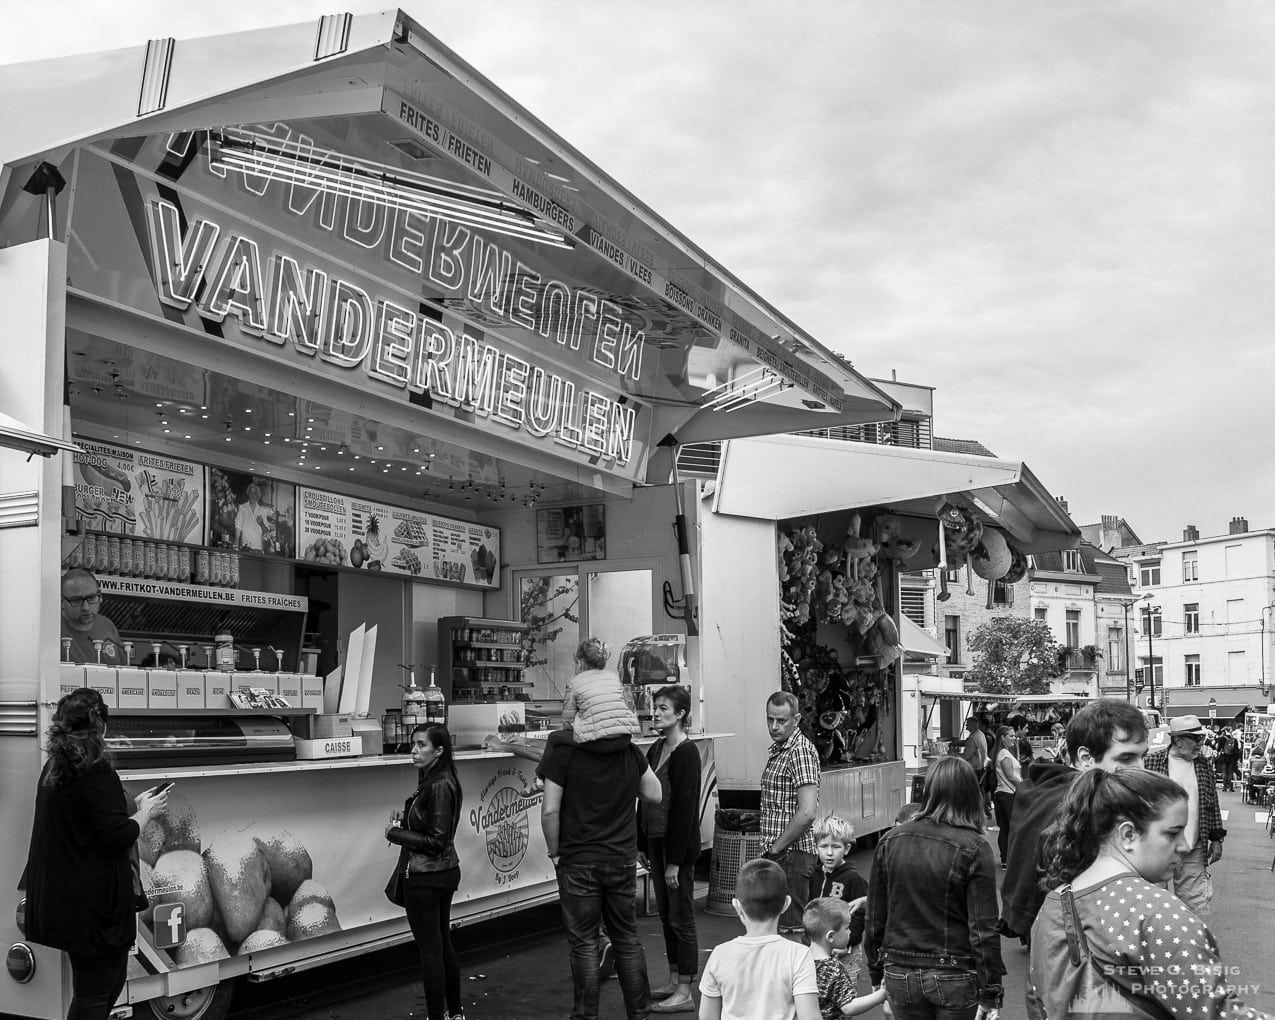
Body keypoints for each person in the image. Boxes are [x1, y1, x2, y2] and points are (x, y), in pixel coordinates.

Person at [1028, 768, 1271, 1020]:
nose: (1185, 846)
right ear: (1129, 835)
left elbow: (1037, 1001)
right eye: (1172, 833)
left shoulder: (1053, 904)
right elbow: (1217, 1014)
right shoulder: (1158, 914)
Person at [21, 688, 170, 1020]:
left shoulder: (56, 766)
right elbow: (116, 835)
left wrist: (134, 805)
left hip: (67, 901)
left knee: (106, 982)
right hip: (94, 907)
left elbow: (90, 820)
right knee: (94, 991)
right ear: (99, 723)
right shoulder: (94, 768)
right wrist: (147, 813)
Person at [540, 700, 662, 1020]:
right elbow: (654, 794)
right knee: (627, 938)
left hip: (577, 858)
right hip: (621, 857)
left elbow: (550, 810)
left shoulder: (564, 752)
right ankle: (639, 1014)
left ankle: (585, 1016)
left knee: (584, 943)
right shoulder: (629, 751)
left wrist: (555, 853)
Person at [864, 756, 1004, 1020]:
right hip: (955, 972)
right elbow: (983, 927)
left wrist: (876, 968)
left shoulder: (890, 841)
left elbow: (875, 917)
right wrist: (991, 990)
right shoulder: (974, 846)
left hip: (900, 969)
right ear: (969, 794)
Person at [999, 697, 1148, 943]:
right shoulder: (1082, 808)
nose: (1140, 768)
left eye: (1142, 756)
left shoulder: (1047, 791)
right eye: (1125, 759)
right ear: (1085, 758)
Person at [385, 724, 465, 1020]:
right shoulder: (436, 780)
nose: (414, 751)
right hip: (441, 873)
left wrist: (394, 833)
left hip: (425, 877)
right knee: (442, 945)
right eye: (413, 745)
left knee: (431, 952)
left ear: (439, 751)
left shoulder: (439, 784)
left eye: (421, 745)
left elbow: (436, 840)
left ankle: (439, 1016)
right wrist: (406, 822)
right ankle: (454, 1014)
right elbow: (434, 829)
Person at [637, 685, 703, 1014]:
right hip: (656, 841)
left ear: (680, 714)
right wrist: (641, 841)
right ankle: (675, 978)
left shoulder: (687, 753)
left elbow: (685, 809)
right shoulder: (657, 747)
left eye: (664, 708)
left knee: (681, 917)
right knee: (666, 915)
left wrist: (676, 861)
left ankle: (686, 988)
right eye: (656, 707)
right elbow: (644, 794)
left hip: (675, 848)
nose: (657, 713)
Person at [698, 857, 820, 1020]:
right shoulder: (799, 955)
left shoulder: (720, 954)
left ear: (737, 906)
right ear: (786, 904)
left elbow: (707, 1017)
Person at [1143, 713, 1225, 917]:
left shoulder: (1203, 764)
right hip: (1158, 848)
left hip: (1193, 845)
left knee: (1194, 906)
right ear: (1178, 740)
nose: (1200, 743)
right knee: (1155, 905)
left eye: (1201, 738)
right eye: (1195, 739)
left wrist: (1217, 838)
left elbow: (1211, 802)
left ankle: (1190, 945)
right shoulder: (1152, 762)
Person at [760, 690, 821, 941]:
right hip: (783, 854)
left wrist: (776, 848)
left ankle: (796, 982)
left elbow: (807, 812)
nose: (774, 726)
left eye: (781, 720)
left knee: (791, 934)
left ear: (796, 720)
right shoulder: (781, 749)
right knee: (779, 931)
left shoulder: (799, 751)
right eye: (770, 719)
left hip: (792, 856)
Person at [803, 898, 889, 1019]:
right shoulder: (833, 968)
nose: (850, 932)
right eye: (847, 927)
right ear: (831, 936)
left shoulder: (800, 961)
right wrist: (882, 994)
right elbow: (848, 1006)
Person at [811, 814, 867, 989]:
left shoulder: (853, 879)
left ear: (847, 848)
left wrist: (848, 943)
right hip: (817, 949)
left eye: (835, 847)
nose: (829, 852)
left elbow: (859, 917)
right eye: (824, 846)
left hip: (845, 953)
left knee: (844, 997)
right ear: (816, 847)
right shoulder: (813, 876)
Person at [60, 568, 124, 665]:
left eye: (91, 598)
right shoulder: (52, 631)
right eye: (77, 600)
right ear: (61, 601)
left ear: (100, 596)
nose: (85, 607)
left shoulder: (107, 625)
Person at [991, 724, 1022, 869]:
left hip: (1002, 794)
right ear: (1002, 738)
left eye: (1014, 735)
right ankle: (1010, 858)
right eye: (1011, 735)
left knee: (1004, 828)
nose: (1014, 738)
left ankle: (1005, 860)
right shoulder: (1004, 754)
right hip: (1008, 794)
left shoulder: (1002, 753)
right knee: (1013, 827)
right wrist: (1025, 785)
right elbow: (1011, 776)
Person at [234, 481, 268, 550]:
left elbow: (266, 531)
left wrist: (261, 524)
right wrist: (236, 540)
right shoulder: (242, 508)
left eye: (255, 494)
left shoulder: (262, 511)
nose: (252, 495)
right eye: (251, 493)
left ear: (257, 496)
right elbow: (238, 526)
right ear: (248, 494)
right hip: (245, 547)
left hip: (258, 548)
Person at [1219, 726, 1240, 792]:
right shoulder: (1234, 739)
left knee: (1224, 772)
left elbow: (1219, 748)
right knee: (1230, 772)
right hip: (1231, 758)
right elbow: (1237, 750)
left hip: (1224, 757)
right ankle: (1230, 787)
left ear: (1225, 731)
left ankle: (1224, 787)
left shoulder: (1222, 738)